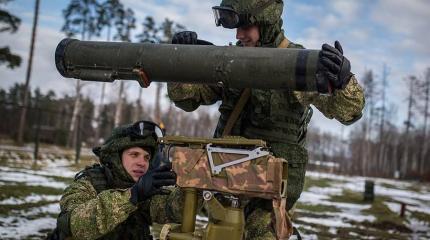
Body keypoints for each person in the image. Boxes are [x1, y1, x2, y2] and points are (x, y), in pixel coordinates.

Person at [168, 0, 365, 238]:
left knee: (261, 232)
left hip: (268, 190)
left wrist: (344, 80)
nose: (239, 35)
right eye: (236, 28)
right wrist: (179, 60)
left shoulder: (295, 63)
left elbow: (348, 112)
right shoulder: (231, 61)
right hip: (225, 177)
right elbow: (189, 98)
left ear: (266, 23)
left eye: (246, 27)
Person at [52, 120, 178, 240]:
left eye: (146, 157)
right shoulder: (87, 184)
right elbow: (75, 226)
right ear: (116, 157)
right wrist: (132, 196)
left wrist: (191, 187)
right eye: (134, 154)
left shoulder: (144, 189)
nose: (142, 163)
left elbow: (172, 211)